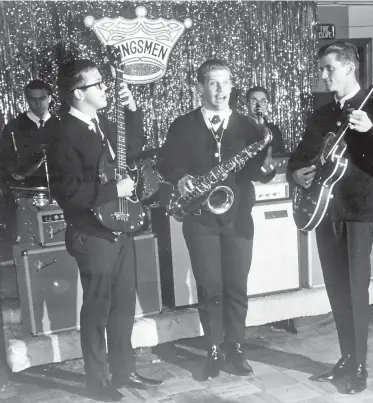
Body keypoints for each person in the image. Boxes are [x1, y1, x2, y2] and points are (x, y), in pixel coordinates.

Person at [286, 41, 373, 394]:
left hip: (357, 213)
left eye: (328, 68)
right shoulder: (321, 114)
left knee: (355, 290)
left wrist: (370, 131)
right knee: (336, 289)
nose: (322, 75)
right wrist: (296, 174)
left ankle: (360, 364)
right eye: (321, 69)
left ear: (349, 68)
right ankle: (346, 357)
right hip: (324, 211)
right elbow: (300, 156)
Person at [47, 59, 162, 402]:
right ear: (78, 93)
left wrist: (132, 107)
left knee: (123, 305)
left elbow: (132, 150)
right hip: (93, 235)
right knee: (97, 310)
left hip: (120, 228)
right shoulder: (63, 133)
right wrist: (114, 191)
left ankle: (125, 370)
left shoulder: (100, 122)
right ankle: (97, 381)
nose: (104, 88)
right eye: (98, 84)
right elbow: (68, 193)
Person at [157, 59, 276, 380]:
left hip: (238, 220)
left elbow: (259, 171)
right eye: (213, 82)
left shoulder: (249, 127)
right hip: (200, 219)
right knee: (209, 287)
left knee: (237, 285)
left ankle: (235, 348)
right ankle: (212, 348)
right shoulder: (182, 125)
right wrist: (180, 177)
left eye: (225, 82)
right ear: (200, 87)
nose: (221, 90)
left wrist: (267, 169)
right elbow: (166, 164)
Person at [0, 79, 58, 252]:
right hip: (27, 198)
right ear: (27, 100)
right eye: (33, 99)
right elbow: (3, 160)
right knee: (32, 247)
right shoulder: (14, 127)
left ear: (50, 98)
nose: (38, 104)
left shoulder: (62, 125)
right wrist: (12, 170)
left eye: (42, 98)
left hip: (61, 195)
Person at [245, 86, 286, 156]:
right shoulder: (238, 127)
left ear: (267, 105)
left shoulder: (274, 129)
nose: (259, 105)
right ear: (247, 103)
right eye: (254, 101)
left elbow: (280, 155)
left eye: (263, 101)